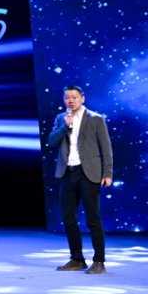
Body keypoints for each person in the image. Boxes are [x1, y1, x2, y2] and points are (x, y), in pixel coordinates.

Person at [47, 85, 113, 274]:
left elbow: (106, 148)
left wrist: (107, 173)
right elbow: (52, 141)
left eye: (74, 97)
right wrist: (65, 126)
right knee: (68, 218)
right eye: (67, 97)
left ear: (82, 98)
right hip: (67, 173)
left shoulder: (96, 118)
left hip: (89, 173)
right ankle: (77, 259)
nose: (70, 100)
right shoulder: (60, 118)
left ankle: (99, 261)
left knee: (93, 219)